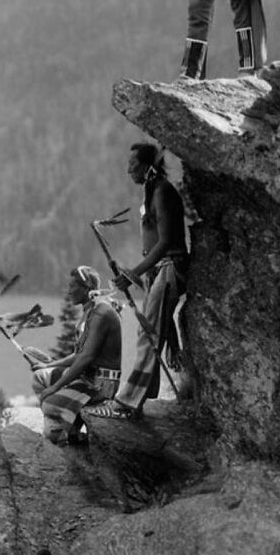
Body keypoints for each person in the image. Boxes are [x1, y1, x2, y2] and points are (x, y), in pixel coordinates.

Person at [88, 142, 188, 419]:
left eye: (133, 165)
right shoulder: (153, 191)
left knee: (148, 332)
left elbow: (167, 241)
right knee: (152, 329)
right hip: (160, 270)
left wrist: (132, 275)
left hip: (170, 267)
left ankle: (128, 402)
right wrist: (139, 273)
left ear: (148, 166)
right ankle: (142, 396)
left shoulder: (163, 192)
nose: (128, 169)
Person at [28, 265, 122, 444]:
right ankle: (68, 428)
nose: (69, 291)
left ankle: (59, 433)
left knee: (49, 402)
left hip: (100, 385)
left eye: (72, 286)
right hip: (88, 378)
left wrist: (55, 388)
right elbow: (78, 354)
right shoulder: (91, 310)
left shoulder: (101, 313)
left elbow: (86, 358)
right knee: (40, 377)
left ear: (86, 287)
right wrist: (48, 366)